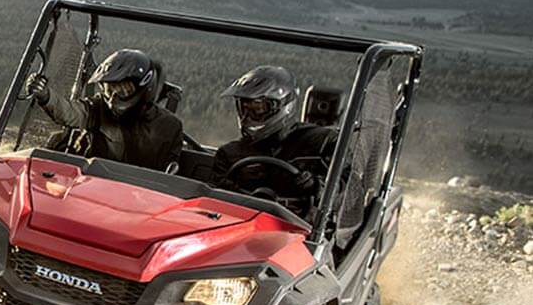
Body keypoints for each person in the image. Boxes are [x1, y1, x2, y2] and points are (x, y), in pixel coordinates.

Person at [25, 49, 183, 172]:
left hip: (141, 200)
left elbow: (168, 176)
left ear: (144, 87)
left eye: (124, 88)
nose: (115, 95)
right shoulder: (98, 108)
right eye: (110, 87)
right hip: (94, 187)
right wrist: (46, 96)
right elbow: (70, 112)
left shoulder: (169, 126)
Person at [211, 65, 337, 201]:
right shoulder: (229, 153)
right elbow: (213, 198)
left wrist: (317, 186)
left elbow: (349, 199)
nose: (247, 116)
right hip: (242, 218)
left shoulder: (323, 143)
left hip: (295, 220)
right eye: (243, 108)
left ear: (282, 105)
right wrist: (231, 191)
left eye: (257, 108)